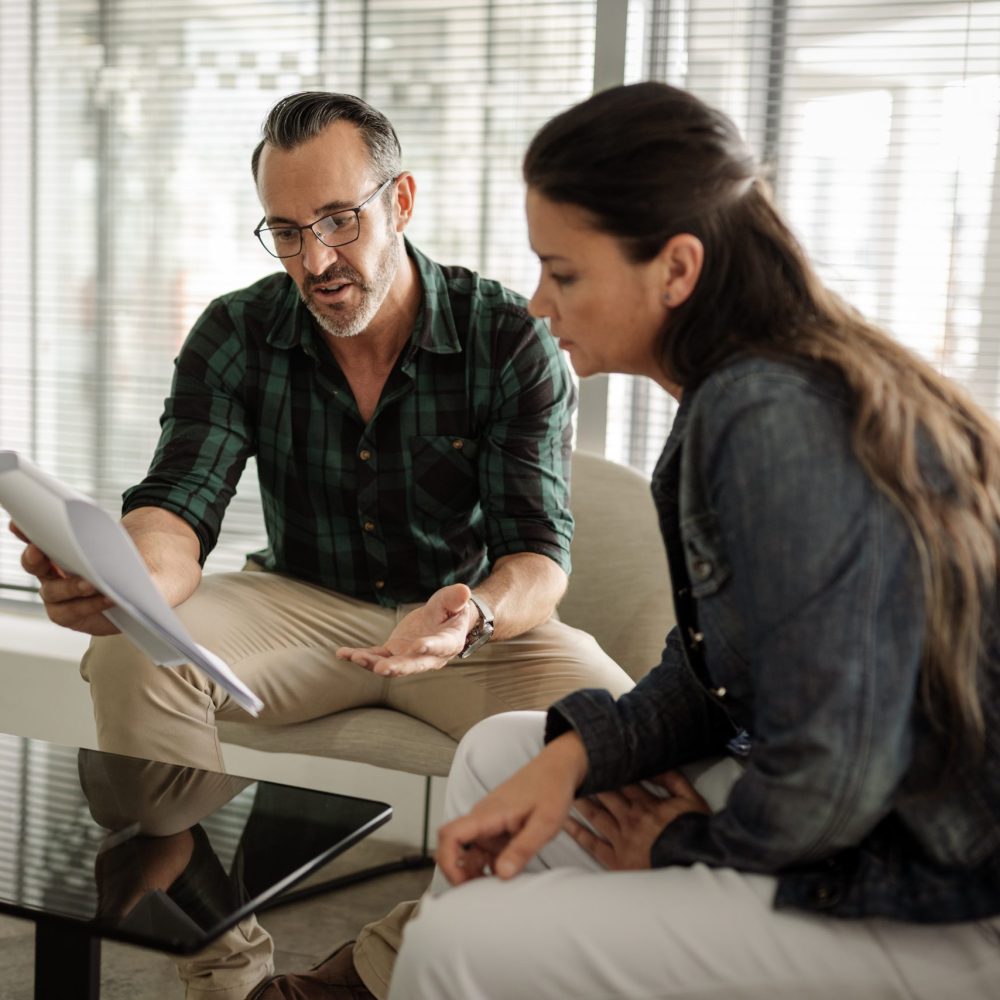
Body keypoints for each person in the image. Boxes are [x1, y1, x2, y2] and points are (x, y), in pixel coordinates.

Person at [382, 81, 1000, 999]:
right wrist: (578, 754)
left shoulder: (768, 417)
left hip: (937, 888)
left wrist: (678, 848)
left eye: (565, 272)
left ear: (676, 268)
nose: (539, 304)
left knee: (454, 947)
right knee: (502, 758)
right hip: (868, 822)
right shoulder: (740, 390)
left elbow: (834, 772)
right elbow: (716, 671)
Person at [13, 91, 634, 1000]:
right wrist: (124, 581)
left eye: (339, 222)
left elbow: (539, 556)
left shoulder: (509, 337)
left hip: (466, 619)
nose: (318, 259)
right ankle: (232, 981)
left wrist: (474, 615)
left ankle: (364, 977)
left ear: (402, 202)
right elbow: (178, 506)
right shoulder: (237, 331)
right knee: (127, 660)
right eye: (287, 231)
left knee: (627, 749)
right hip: (299, 604)